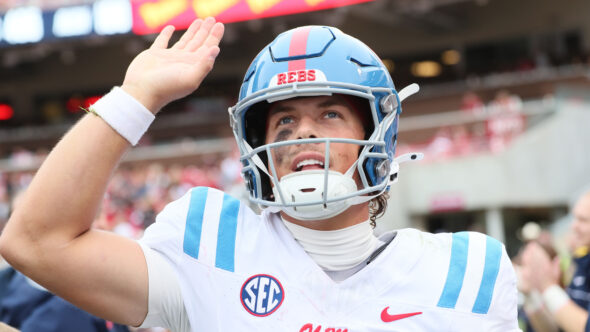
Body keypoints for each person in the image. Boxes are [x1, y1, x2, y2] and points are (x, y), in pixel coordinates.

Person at [0, 17, 519, 331]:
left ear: (376, 136)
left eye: (329, 113)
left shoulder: (467, 274)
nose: (302, 134)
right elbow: (37, 241)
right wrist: (136, 99)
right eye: (284, 120)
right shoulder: (213, 248)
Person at [520, 190, 590, 332]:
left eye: (582, 220)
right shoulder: (582, 263)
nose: (573, 227)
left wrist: (548, 287)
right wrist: (532, 296)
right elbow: (558, 327)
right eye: (574, 218)